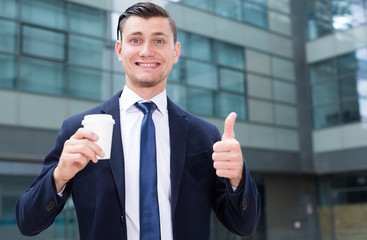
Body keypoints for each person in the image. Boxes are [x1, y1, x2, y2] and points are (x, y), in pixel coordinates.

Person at [15, 2, 261, 240]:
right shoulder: (79, 130)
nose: (146, 51)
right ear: (120, 51)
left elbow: (243, 225)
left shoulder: (204, 135)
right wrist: (59, 176)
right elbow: (28, 222)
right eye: (135, 40)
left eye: (159, 40)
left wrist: (238, 177)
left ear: (175, 52)